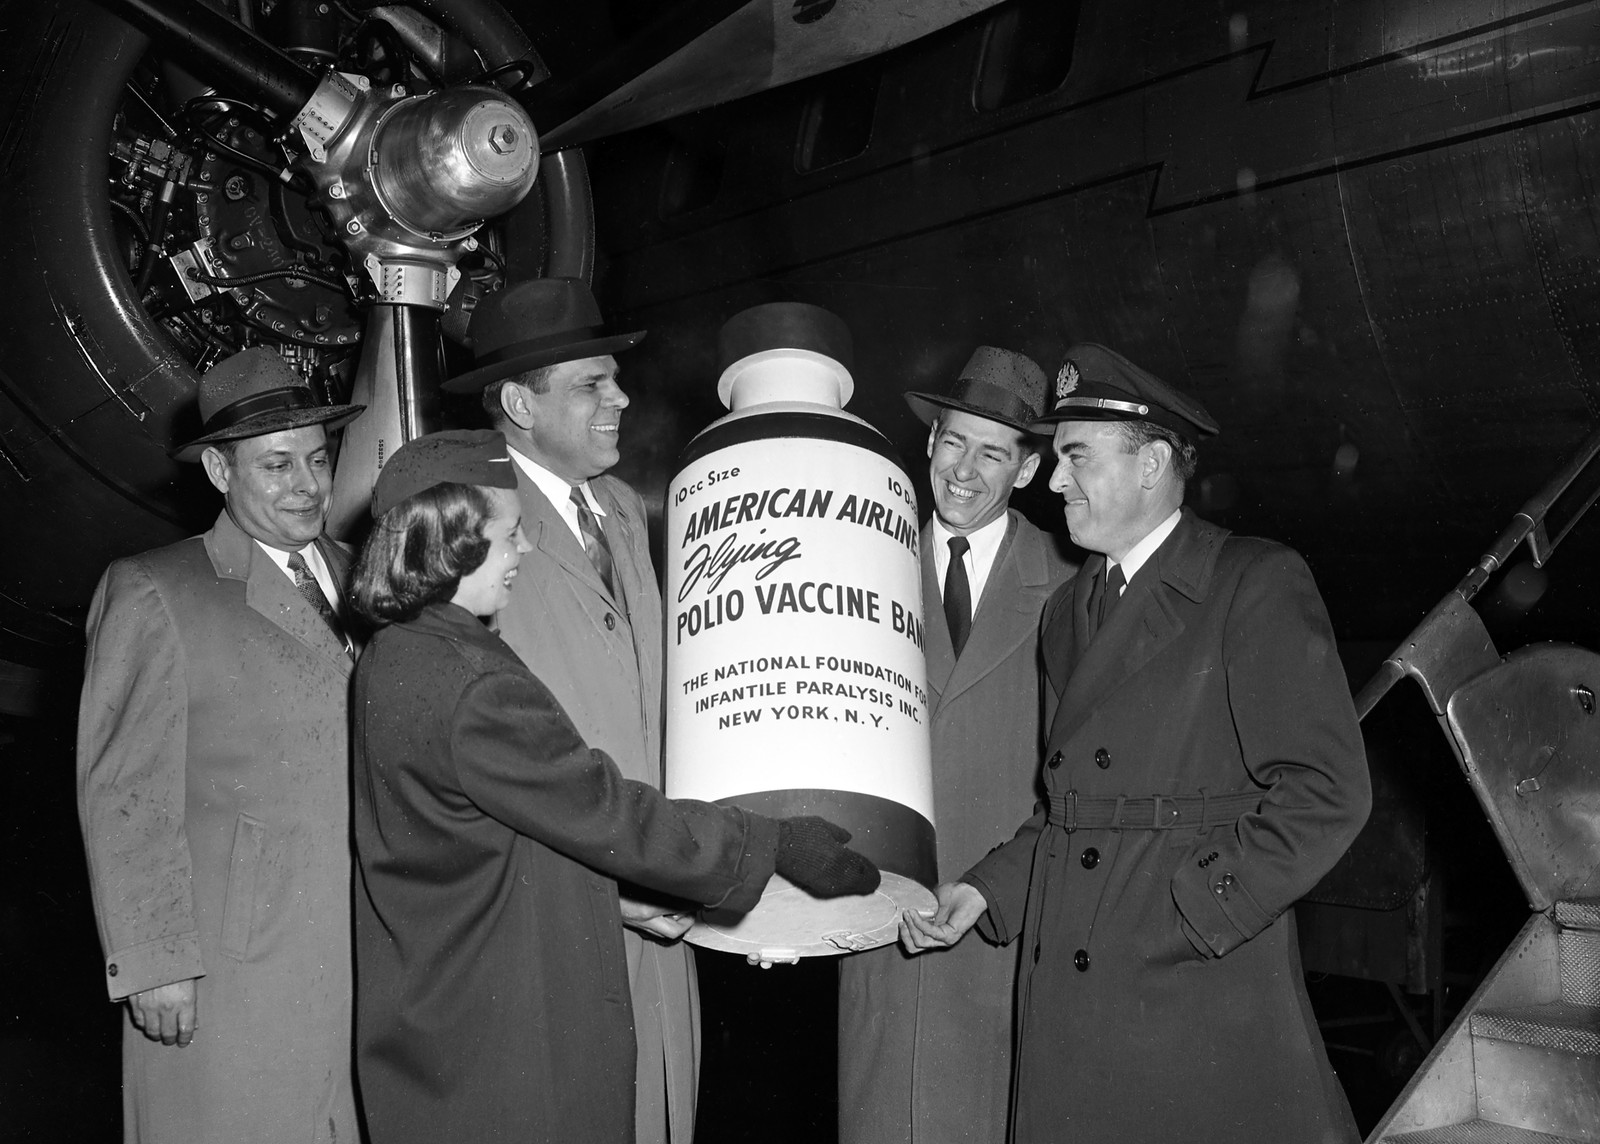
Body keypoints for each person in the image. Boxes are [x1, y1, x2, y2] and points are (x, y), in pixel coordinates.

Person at [347, 429, 878, 1143]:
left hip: (449, 1029)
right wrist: (774, 841)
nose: (526, 552)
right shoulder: (471, 685)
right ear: (451, 542)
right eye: (510, 536)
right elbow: (602, 807)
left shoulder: (392, 655)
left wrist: (623, 901)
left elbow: (494, 839)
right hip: (514, 1051)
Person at [902, 343, 1372, 1143]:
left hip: (1192, 992)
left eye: (1075, 458)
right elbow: (1069, 811)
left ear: (1153, 464)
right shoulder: (1067, 611)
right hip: (1067, 995)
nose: (1052, 482)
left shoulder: (1250, 582)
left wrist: (1196, 912)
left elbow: (1328, 791)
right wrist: (986, 889)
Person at [76, 348, 365, 1143]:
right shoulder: (155, 589)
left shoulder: (370, 579)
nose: (306, 485)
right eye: (276, 465)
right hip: (235, 965)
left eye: (317, 458)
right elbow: (125, 796)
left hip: (368, 955)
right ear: (218, 472)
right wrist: (156, 962)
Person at [443, 276, 701, 1144]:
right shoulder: (461, 518)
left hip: (658, 903)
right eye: (593, 383)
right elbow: (453, 751)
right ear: (518, 401)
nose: (621, 397)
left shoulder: (624, 509)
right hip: (551, 908)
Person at [837, 346, 1076, 1143]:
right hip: (878, 932)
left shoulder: (1071, 587)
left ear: (1031, 468)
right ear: (929, 440)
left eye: (994, 451)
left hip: (1000, 935)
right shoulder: (859, 566)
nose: (965, 470)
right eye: (953, 442)